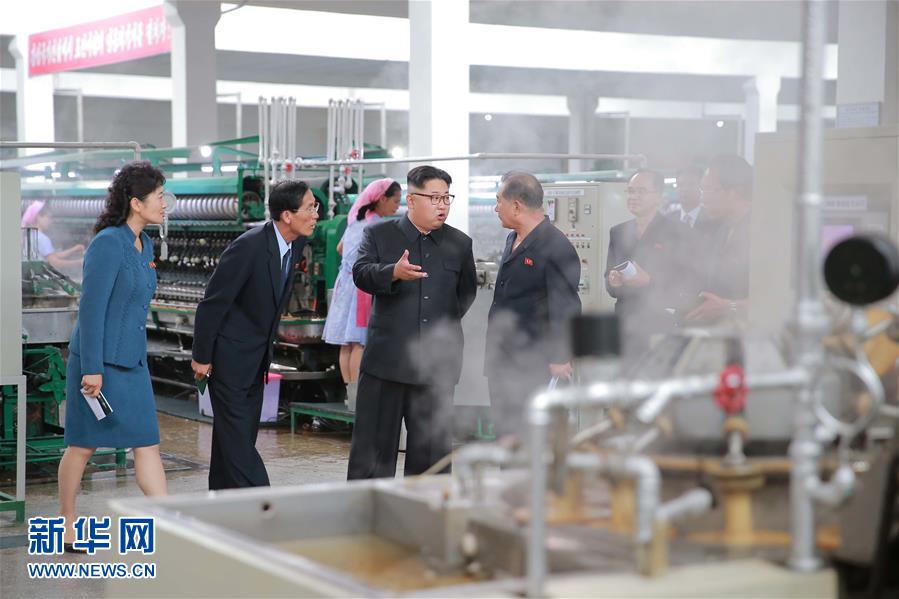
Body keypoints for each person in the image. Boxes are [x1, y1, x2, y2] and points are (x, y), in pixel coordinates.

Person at [59, 162, 169, 553]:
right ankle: (68, 523)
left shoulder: (145, 244)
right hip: (98, 364)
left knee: (147, 442)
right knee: (83, 445)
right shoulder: (108, 243)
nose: (165, 204)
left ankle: (169, 525)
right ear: (136, 203)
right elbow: (91, 310)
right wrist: (92, 369)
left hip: (132, 363)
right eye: (160, 197)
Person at [347, 165, 477, 479]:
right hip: (386, 363)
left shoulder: (460, 244)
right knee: (373, 454)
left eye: (446, 198)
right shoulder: (379, 234)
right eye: (434, 198)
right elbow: (361, 273)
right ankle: (370, 506)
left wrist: (436, 328)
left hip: (436, 367)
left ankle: (427, 508)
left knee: (432, 455)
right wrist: (392, 272)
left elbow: (465, 295)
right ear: (411, 200)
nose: (442, 205)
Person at [191, 180, 318, 490]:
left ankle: (223, 498)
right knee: (238, 442)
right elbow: (212, 303)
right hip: (229, 358)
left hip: (257, 358)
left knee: (236, 437)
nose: (316, 214)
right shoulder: (249, 247)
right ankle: (264, 503)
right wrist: (201, 356)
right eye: (310, 208)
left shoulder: (295, 243)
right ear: (287, 215)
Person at [485, 171, 581, 438]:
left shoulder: (557, 246)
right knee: (506, 436)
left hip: (535, 363)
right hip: (504, 358)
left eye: (499, 201)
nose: (496, 208)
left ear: (516, 206)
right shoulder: (513, 238)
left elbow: (567, 307)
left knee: (533, 439)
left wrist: (560, 357)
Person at [322, 178, 402, 407]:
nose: (397, 206)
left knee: (346, 344)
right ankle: (359, 398)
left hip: (344, 285)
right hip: (361, 287)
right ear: (382, 199)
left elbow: (340, 248)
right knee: (359, 342)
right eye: (395, 201)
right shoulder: (377, 225)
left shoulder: (356, 220)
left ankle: (350, 395)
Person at [605, 169, 690, 356]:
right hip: (625, 322)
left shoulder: (677, 232)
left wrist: (649, 282)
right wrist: (613, 282)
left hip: (660, 324)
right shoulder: (618, 231)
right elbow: (608, 280)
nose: (634, 196)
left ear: (659, 196)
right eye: (631, 191)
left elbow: (687, 284)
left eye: (641, 191)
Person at [685, 154, 753, 323]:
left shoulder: (762, 232)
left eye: (708, 189)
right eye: (702, 190)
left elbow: (777, 297)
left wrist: (729, 306)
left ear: (735, 191)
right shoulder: (720, 230)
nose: (702, 198)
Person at [21, 200, 85, 271]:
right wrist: (79, 263)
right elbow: (54, 263)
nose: (51, 221)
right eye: (49, 217)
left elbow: (53, 255)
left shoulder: (30, 234)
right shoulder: (42, 238)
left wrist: (74, 249)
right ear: (39, 217)